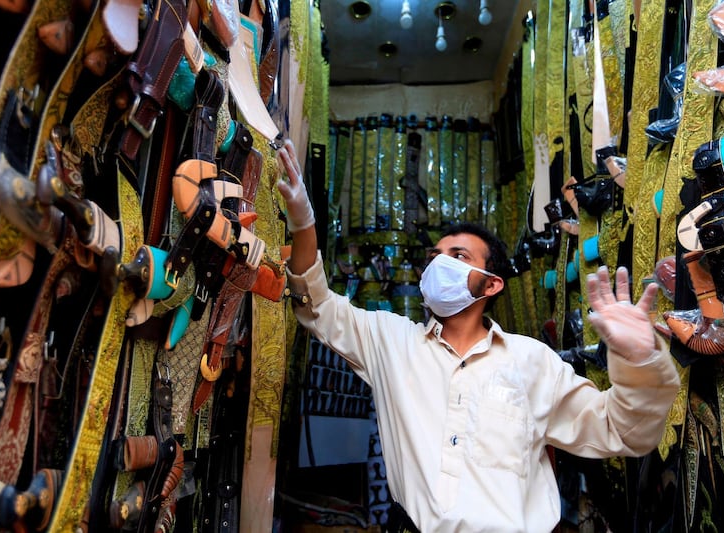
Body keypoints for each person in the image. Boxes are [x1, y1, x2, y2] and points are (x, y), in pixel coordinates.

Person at [276, 139, 680, 532]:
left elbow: (621, 431)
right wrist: (304, 224)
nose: (439, 264)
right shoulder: (391, 342)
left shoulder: (532, 361)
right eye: (435, 257)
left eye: (459, 257)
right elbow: (317, 307)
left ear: (491, 286)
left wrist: (639, 361)